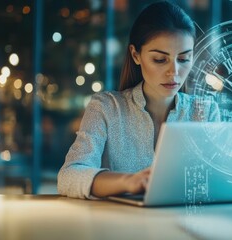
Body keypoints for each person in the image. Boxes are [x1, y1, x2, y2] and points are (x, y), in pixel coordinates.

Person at [57, 1, 220, 199]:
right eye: (160, 60)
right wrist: (128, 181)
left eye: (184, 59)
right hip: (120, 225)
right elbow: (69, 176)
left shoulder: (206, 111)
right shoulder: (107, 108)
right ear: (136, 55)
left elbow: (220, 179)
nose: (174, 72)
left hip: (185, 223)